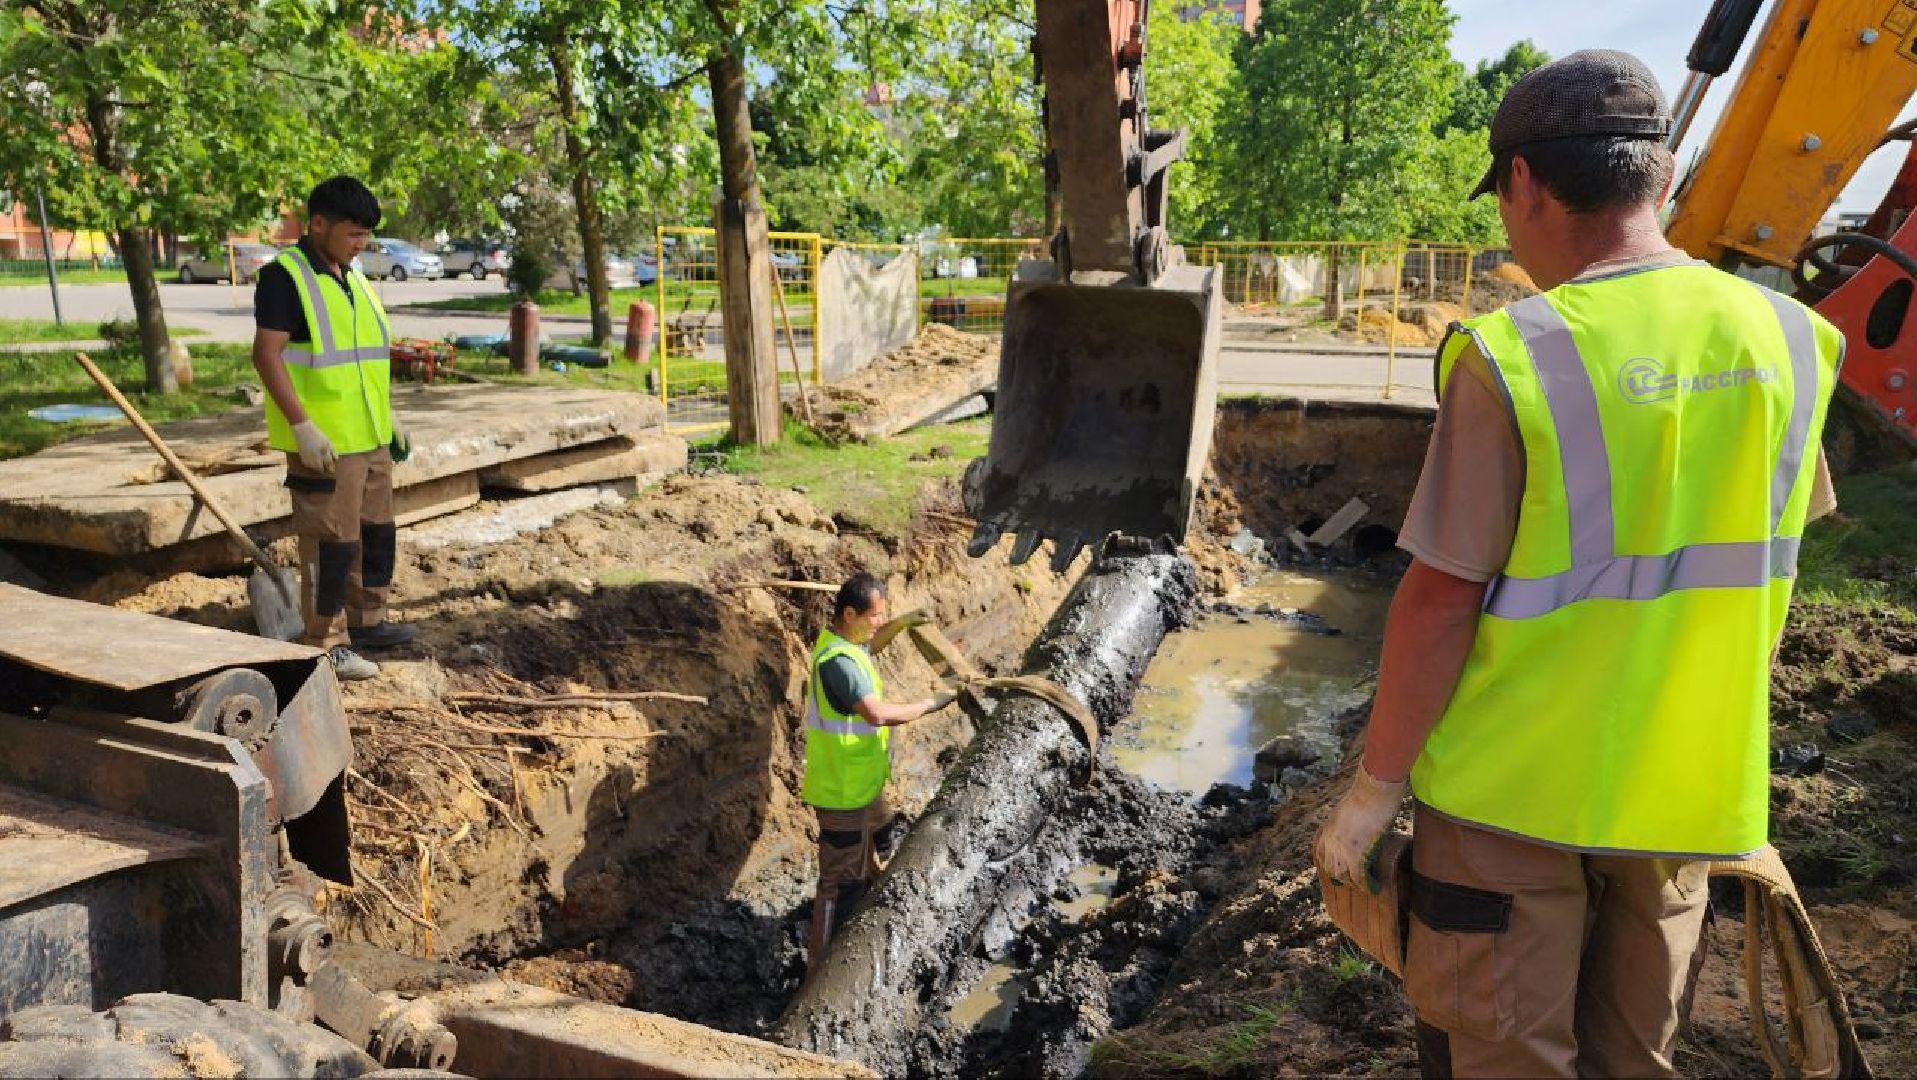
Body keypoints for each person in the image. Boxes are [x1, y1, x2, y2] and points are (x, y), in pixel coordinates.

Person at [1314, 50, 1842, 1078]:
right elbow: (1771, 549)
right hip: (1685, 789)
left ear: (1523, 181)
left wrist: (1374, 790)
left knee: (1505, 1056)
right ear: (1666, 175)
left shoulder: (1515, 354)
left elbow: (1439, 599)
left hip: (1509, 796)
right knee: (1634, 1057)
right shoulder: (1789, 339)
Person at [252, 176, 414, 681]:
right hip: (324, 444)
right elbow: (267, 355)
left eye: (366, 235)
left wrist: (389, 416)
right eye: (353, 234)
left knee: (376, 534)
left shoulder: (354, 276)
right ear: (318, 224)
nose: (361, 244)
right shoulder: (285, 277)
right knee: (330, 543)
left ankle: (367, 621)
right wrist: (302, 426)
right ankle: (327, 641)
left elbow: (364, 359)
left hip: (370, 435)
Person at [802, 573, 956, 962]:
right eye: (875, 616)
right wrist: (930, 705)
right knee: (840, 884)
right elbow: (876, 714)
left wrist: (901, 624)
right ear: (849, 614)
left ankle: (868, 912)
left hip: (863, 785)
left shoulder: (847, 643)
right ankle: (820, 971)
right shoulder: (838, 664)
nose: (879, 622)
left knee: (884, 832)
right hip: (841, 793)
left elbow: (871, 645)